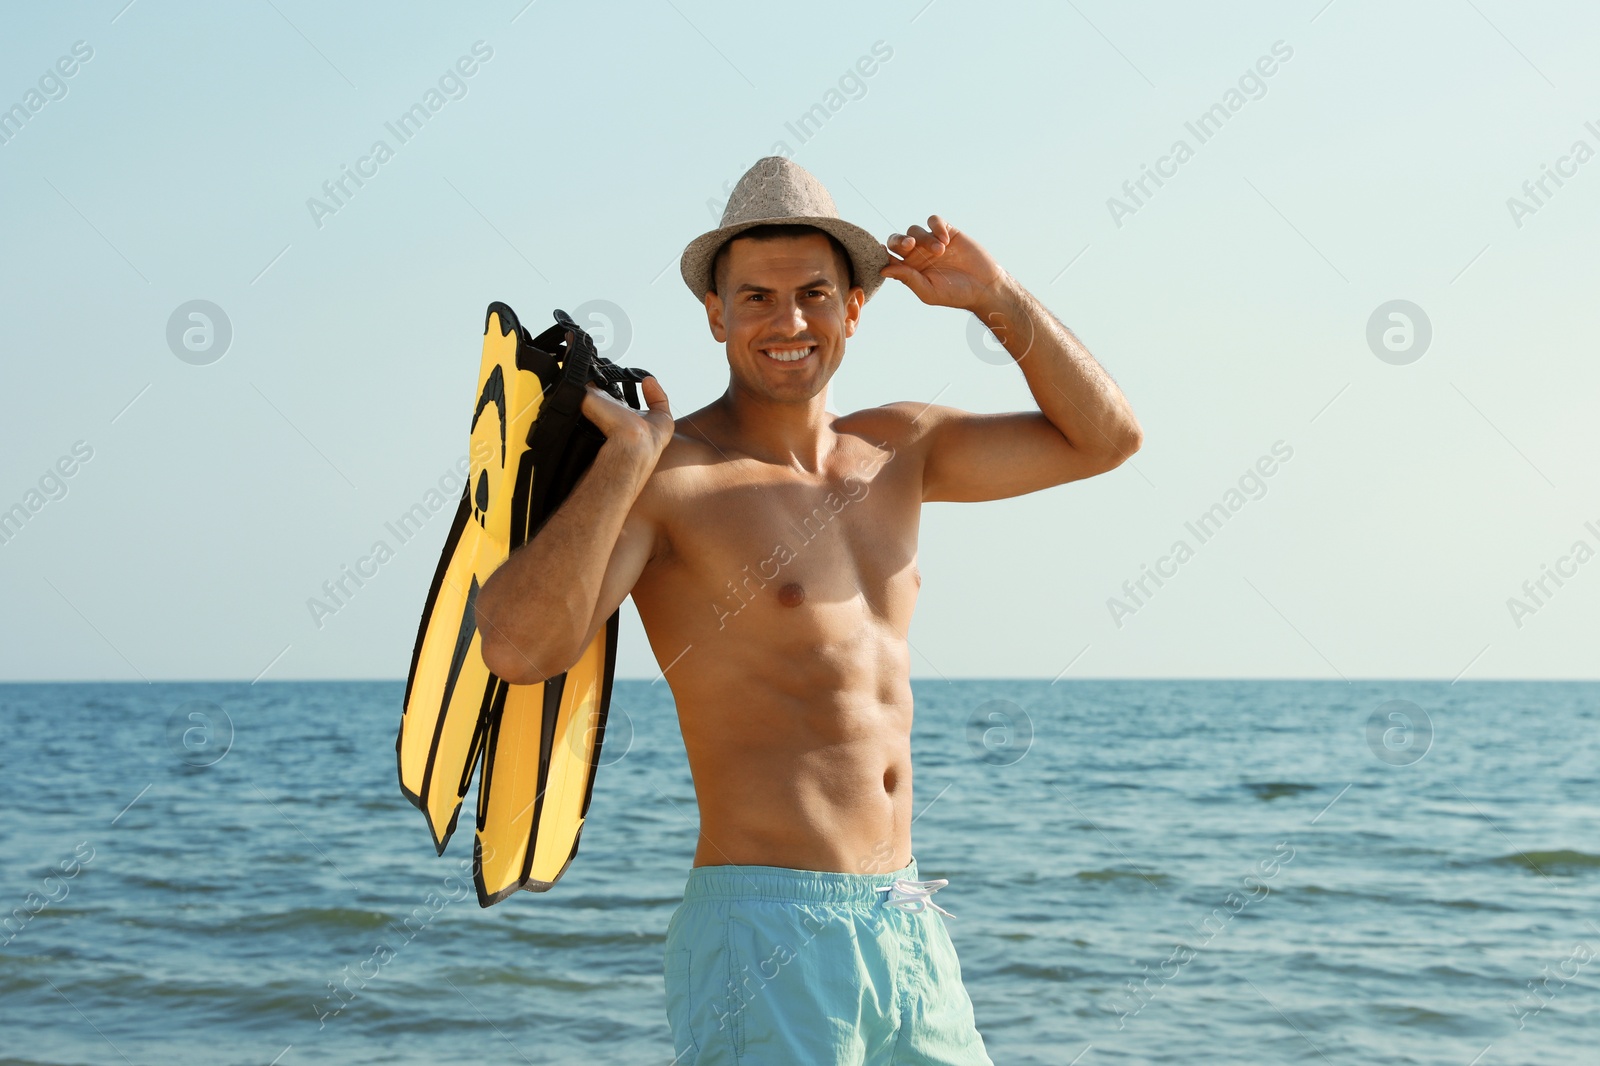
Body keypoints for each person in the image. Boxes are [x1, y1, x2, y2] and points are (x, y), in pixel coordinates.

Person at [474, 156, 1142, 1064]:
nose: (788, 321)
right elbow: (518, 648)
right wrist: (624, 464)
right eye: (756, 298)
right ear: (715, 313)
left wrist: (1001, 300)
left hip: (908, 920)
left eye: (814, 294)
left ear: (855, 307)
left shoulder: (902, 447)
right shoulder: (672, 479)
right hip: (766, 928)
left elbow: (1107, 440)